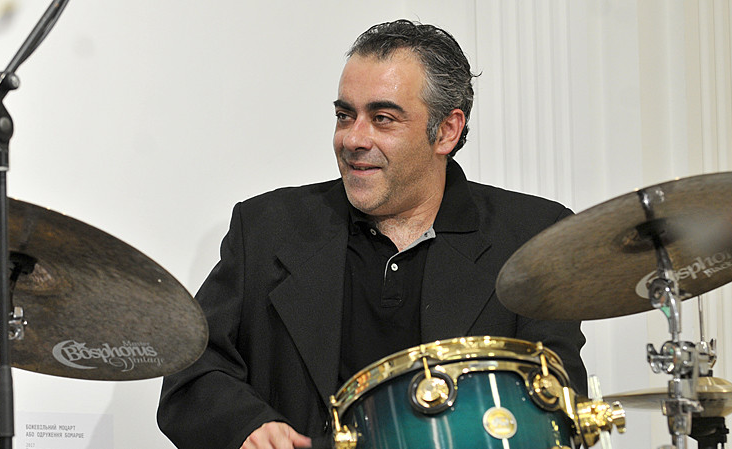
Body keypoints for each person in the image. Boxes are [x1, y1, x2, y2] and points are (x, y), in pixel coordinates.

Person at [157, 19, 587, 449]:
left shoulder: (533, 236)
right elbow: (192, 372)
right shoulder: (266, 228)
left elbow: (556, 403)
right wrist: (248, 427)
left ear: (446, 131)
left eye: (383, 119)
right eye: (345, 116)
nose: (353, 138)